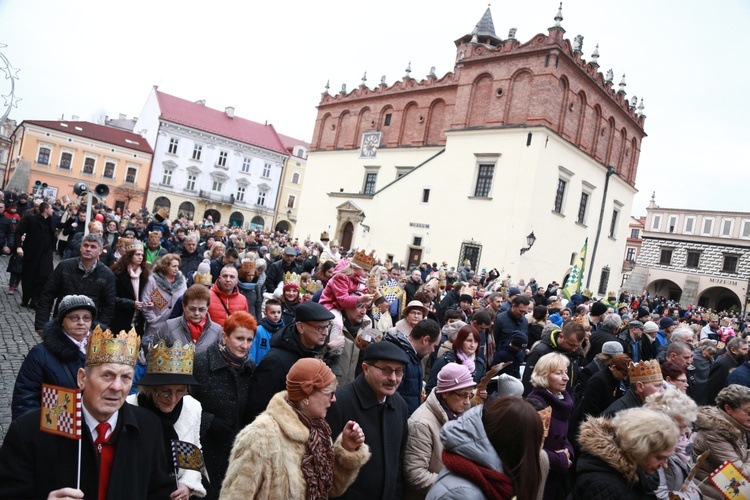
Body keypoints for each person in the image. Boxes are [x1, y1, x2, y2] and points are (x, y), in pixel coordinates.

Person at [0, 327, 176, 499]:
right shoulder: (31, 430)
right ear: (82, 378)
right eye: (107, 375)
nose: (117, 387)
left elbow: (158, 491)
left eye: (126, 377)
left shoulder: (148, 427)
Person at [221, 358, 370, 499]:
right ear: (306, 396)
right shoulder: (260, 435)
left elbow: (330, 488)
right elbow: (235, 495)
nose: (334, 399)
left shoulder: (319, 431)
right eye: (328, 393)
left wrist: (347, 448)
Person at [326, 341, 410, 500]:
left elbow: (398, 465)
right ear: (365, 368)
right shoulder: (339, 403)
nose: (393, 378)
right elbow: (327, 467)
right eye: (385, 370)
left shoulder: (399, 405)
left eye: (398, 371)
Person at [126, 339, 206, 498]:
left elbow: (195, 452)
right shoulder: (130, 408)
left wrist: (187, 485)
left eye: (180, 391)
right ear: (150, 388)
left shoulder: (192, 407)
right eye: (165, 391)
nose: (173, 398)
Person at [191, 311, 257, 500]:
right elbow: (182, 403)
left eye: (249, 340)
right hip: (204, 448)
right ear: (224, 336)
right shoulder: (201, 363)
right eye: (239, 338)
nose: (244, 345)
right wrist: (209, 422)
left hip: (234, 450)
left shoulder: (249, 367)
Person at [427, 396, 544, 500]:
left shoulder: (493, 479)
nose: (540, 449)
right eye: (536, 442)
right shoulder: (462, 494)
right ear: (515, 445)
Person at [244, 302, 335, 423]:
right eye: (320, 328)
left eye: (327, 326)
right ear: (301, 327)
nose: (325, 333)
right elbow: (257, 409)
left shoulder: (318, 353)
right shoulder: (275, 360)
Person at [11, 295, 95, 420]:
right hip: (58, 425)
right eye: (74, 318)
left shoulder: (102, 348)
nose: (81, 322)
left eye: (86, 318)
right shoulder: (40, 354)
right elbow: (25, 398)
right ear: (62, 320)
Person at [405, 363, 477, 499]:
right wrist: (459, 485)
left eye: (470, 395)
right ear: (445, 394)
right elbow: (415, 475)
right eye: (462, 395)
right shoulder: (421, 424)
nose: (467, 401)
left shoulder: (461, 414)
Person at [575, 407, 678, 498]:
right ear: (639, 449)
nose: (665, 465)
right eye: (659, 458)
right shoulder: (605, 486)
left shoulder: (635, 472)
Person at [34, 233, 116, 333]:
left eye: (93, 247)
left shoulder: (107, 274)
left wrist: (98, 329)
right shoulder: (64, 266)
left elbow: (108, 306)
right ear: (80, 248)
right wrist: (41, 325)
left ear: (100, 251)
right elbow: (47, 295)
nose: (88, 249)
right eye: (85, 245)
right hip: (61, 323)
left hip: (88, 328)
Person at [526, 352, 575, 500]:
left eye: (565, 372)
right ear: (544, 375)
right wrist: (559, 459)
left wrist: (568, 451)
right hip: (540, 477)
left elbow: (564, 436)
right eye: (559, 373)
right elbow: (529, 448)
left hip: (556, 477)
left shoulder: (560, 401)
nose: (566, 378)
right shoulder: (536, 405)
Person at [692, 384, 750, 499]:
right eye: (748, 412)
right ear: (728, 408)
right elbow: (741, 473)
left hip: (729, 487)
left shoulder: (736, 425)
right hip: (713, 493)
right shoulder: (714, 432)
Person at [643, 390, 701, 500]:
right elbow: (660, 495)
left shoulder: (682, 444)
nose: (683, 433)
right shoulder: (655, 450)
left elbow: (691, 479)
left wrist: (696, 492)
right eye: (679, 427)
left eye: (685, 427)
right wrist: (693, 496)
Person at [384, 318, 442, 415]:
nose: (433, 350)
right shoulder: (400, 358)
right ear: (425, 340)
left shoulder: (414, 356)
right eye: (434, 346)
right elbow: (391, 397)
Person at [522, 322, 585, 396]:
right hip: (544, 401)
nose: (574, 349)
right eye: (571, 344)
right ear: (561, 336)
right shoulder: (541, 352)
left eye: (577, 346)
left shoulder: (573, 352)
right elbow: (529, 381)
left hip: (565, 399)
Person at [155, 284, 222, 354]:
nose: (197, 313)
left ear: (207, 307)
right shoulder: (169, 326)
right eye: (192, 309)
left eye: (201, 309)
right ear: (183, 306)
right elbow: (155, 355)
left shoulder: (217, 331)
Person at [15, 201, 55, 309]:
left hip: (46, 254)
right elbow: (18, 231)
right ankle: (26, 298)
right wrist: (18, 246)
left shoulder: (52, 220)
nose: (53, 210)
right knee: (28, 276)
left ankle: (35, 300)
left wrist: (72, 217)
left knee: (44, 276)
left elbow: (63, 226)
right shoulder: (31, 219)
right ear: (46, 210)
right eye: (51, 208)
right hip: (32, 253)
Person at [426, 324, 487, 396]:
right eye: (469, 340)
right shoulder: (445, 361)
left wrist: (482, 394)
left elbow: (481, 388)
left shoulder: (479, 364)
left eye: (476, 341)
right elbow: (431, 388)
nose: (473, 345)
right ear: (460, 341)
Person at [141, 253, 187, 339]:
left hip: (175, 326)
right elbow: (145, 301)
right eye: (174, 266)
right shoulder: (153, 280)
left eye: (178, 266)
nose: (176, 269)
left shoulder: (182, 280)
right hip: (155, 327)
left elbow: (185, 299)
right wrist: (153, 320)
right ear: (165, 266)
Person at [109, 238, 149, 336]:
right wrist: (131, 303)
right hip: (120, 317)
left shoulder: (145, 274)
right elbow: (110, 297)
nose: (140, 257)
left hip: (138, 319)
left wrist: (148, 303)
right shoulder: (118, 273)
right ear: (130, 255)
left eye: (142, 255)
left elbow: (146, 294)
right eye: (137, 254)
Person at [707, 336, 748, 404]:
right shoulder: (721, 364)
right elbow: (713, 390)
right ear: (733, 350)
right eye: (744, 349)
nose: (747, 352)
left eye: (747, 349)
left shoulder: (739, 362)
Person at [208, 264, 248, 329]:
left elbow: (244, 323)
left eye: (232, 277)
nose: (228, 279)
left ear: (236, 281)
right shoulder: (208, 296)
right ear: (219, 278)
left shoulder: (242, 299)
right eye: (225, 276)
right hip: (213, 337)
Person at [250, 298, 284, 365]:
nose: (276, 315)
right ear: (265, 314)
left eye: (278, 312)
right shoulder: (258, 330)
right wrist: (252, 366)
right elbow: (252, 352)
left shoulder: (283, 331)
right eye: (272, 312)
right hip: (259, 367)